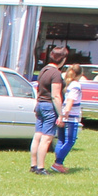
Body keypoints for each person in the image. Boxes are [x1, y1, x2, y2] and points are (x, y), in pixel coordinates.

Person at [30, 45, 68, 174]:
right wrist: (61, 115)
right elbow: (55, 95)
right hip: (49, 107)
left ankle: (33, 165)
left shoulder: (44, 70)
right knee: (46, 138)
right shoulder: (56, 73)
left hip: (40, 104)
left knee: (37, 136)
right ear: (63, 59)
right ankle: (41, 168)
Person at [51, 64, 84, 173]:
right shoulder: (76, 85)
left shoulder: (68, 84)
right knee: (70, 141)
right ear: (80, 74)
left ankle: (59, 163)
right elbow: (70, 100)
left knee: (61, 140)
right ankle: (58, 163)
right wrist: (66, 114)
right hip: (70, 117)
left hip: (64, 114)